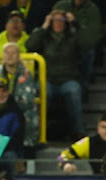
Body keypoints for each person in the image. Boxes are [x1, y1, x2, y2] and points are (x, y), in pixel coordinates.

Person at [25, 8, 89, 140]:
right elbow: (30, 46)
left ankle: (78, 132)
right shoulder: (44, 36)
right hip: (47, 78)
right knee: (43, 92)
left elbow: (86, 43)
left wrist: (75, 23)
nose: (58, 23)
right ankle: (37, 132)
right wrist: (44, 26)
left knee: (73, 91)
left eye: (62, 20)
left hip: (68, 78)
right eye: (55, 20)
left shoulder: (72, 36)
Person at [0, 42, 38, 156]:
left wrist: (4, 100)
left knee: (26, 114)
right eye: (6, 52)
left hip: (20, 112)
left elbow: (27, 101)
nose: (10, 55)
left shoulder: (26, 74)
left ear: (19, 55)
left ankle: (26, 153)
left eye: (13, 52)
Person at [51, 0, 103, 94]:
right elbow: (51, 29)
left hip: (80, 45)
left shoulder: (92, 10)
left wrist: (75, 23)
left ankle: (83, 87)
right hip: (60, 42)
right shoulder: (61, 5)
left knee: (88, 52)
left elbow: (89, 40)